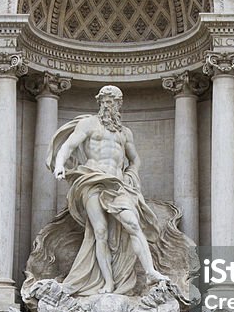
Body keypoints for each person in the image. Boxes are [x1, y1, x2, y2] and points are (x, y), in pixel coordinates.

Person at [50, 85, 169, 296]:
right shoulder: (89, 124)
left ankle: (150, 272)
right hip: (92, 180)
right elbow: (68, 146)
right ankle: (107, 283)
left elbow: (135, 159)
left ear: (119, 104)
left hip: (117, 184)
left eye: (111, 101)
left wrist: (132, 174)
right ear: (99, 103)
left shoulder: (125, 133)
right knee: (100, 232)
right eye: (104, 101)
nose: (107, 105)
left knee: (132, 223)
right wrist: (60, 164)